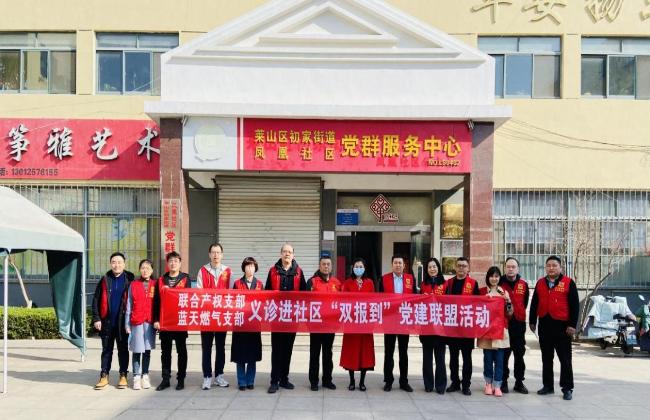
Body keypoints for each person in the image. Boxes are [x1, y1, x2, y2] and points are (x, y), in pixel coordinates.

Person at [529, 255, 580, 401]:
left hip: (562, 327)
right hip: (545, 325)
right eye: (548, 265)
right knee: (546, 358)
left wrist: (572, 325)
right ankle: (548, 386)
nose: (551, 268)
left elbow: (575, 305)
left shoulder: (568, 283)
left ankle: (567, 388)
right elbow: (534, 303)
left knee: (565, 359)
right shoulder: (540, 283)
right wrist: (532, 321)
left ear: (560, 267)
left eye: (554, 265)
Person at [265, 243, 307, 394]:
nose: (287, 254)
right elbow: (266, 293)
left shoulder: (299, 272)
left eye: (289, 252)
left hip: (292, 318)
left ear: (293, 255)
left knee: (288, 350)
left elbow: (304, 294)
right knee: (276, 350)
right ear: (281, 254)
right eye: (285, 251)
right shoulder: (273, 271)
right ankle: (274, 381)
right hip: (277, 318)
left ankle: (284, 379)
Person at [92, 252, 134, 390]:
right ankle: (104, 375)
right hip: (107, 322)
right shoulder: (105, 279)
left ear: (124, 264)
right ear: (110, 264)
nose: (117, 265)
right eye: (114, 262)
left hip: (123, 322)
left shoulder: (130, 279)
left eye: (119, 262)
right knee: (106, 350)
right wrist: (97, 318)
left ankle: (123, 375)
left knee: (123, 350)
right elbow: (96, 299)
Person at [152, 251, 192, 391]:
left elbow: (189, 299)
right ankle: (165, 379)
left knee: (182, 351)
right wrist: (156, 320)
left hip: (180, 320)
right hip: (165, 322)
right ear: (167, 264)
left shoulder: (185, 279)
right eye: (171, 261)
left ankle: (181, 379)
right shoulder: (161, 280)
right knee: (165, 352)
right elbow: (156, 302)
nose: (173, 263)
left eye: (176, 261)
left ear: (180, 263)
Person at [196, 243, 232, 390]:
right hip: (206, 316)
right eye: (213, 252)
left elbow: (231, 294)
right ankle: (207, 377)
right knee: (206, 347)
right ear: (209, 254)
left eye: (218, 252)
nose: (216, 255)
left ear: (222, 255)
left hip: (222, 316)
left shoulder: (228, 271)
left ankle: (219, 376)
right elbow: (199, 293)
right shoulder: (203, 271)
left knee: (220, 347)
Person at [379, 255, 415, 392]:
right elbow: (379, 300)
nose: (398, 265)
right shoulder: (384, 279)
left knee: (403, 352)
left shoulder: (410, 279)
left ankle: (404, 381)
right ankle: (388, 381)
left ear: (404, 265)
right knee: (389, 352)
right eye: (395, 263)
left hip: (404, 320)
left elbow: (414, 298)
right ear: (392, 264)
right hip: (390, 321)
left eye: (400, 263)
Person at [340, 258, 375, 391]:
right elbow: (343, 300)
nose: (358, 268)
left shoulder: (369, 283)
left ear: (364, 268)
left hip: (365, 323)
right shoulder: (347, 283)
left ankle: (362, 382)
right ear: (353, 268)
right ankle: (352, 381)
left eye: (361, 266)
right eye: (356, 266)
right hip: (351, 323)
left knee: (364, 353)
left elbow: (373, 301)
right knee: (351, 352)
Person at [307, 256, 342, 391]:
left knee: (328, 354)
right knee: (314, 354)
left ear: (331, 267)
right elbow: (306, 302)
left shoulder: (337, 283)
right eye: (323, 264)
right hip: (315, 325)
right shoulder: (312, 282)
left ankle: (327, 380)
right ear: (319, 266)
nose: (326, 266)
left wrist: (337, 323)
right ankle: (314, 381)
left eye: (328, 264)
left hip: (330, 326)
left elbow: (341, 304)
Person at [446, 257, 479, 396]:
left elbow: (478, 304)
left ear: (468, 268)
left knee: (467, 358)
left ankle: (466, 385)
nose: (461, 268)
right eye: (459, 265)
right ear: (455, 267)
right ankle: (455, 382)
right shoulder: (449, 283)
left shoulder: (473, 283)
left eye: (464, 266)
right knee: (453, 358)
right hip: (453, 326)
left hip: (467, 326)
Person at [478, 266, 513, 397]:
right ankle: (488, 384)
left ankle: (497, 385)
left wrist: (508, 300)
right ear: (488, 277)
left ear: (499, 278)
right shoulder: (482, 291)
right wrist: (484, 301)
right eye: (491, 276)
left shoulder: (503, 292)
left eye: (496, 276)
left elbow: (509, 313)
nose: (494, 279)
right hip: (486, 330)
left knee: (499, 360)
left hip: (500, 330)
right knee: (487, 359)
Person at [231, 257, 264, 390]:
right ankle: (241, 381)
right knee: (240, 355)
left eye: (252, 266)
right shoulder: (237, 283)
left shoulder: (260, 284)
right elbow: (232, 302)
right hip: (240, 323)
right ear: (243, 268)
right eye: (247, 266)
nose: (250, 268)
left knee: (252, 354)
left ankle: (250, 381)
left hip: (254, 324)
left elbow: (263, 303)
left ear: (255, 268)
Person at [499, 257, 530, 394]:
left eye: (513, 267)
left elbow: (525, 302)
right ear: (505, 268)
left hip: (519, 324)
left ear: (518, 269)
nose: (510, 269)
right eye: (508, 266)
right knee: (504, 354)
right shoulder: (499, 284)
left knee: (519, 354)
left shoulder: (523, 284)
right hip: (504, 324)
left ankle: (519, 382)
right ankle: (503, 382)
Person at [125, 259, 157, 390]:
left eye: (148, 268)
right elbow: (129, 305)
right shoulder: (133, 284)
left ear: (152, 270)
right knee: (137, 350)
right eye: (143, 268)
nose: (145, 270)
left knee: (147, 350)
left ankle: (145, 375)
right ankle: (136, 377)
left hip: (149, 322)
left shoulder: (155, 284)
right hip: (137, 321)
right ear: (139, 269)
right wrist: (127, 324)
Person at [419, 257, 448, 394]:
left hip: (440, 327)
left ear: (438, 268)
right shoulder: (423, 284)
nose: (432, 269)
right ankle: (428, 384)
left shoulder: (445, 284)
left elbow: (450, 303)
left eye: (434, 266)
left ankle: (441, 385)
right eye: (430, 267)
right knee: (427, 358)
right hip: (426, 326)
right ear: (427, 269)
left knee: (440, 358)